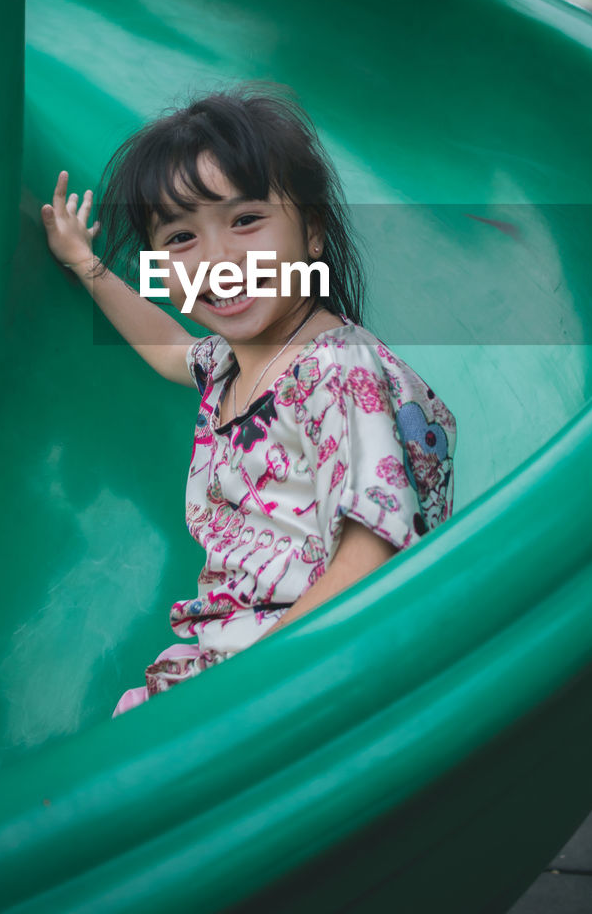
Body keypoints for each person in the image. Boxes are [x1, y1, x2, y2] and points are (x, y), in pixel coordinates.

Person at [40, 83, 456, 717]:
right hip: (232, 666)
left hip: (300, 675)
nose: (219, 259)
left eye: (246, 220)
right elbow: (165, 348)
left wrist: (247, 688)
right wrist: (84, 264)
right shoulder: (230, 368)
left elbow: (374, 548)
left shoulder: (333, 369)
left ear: (313, 234)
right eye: (181, 239)